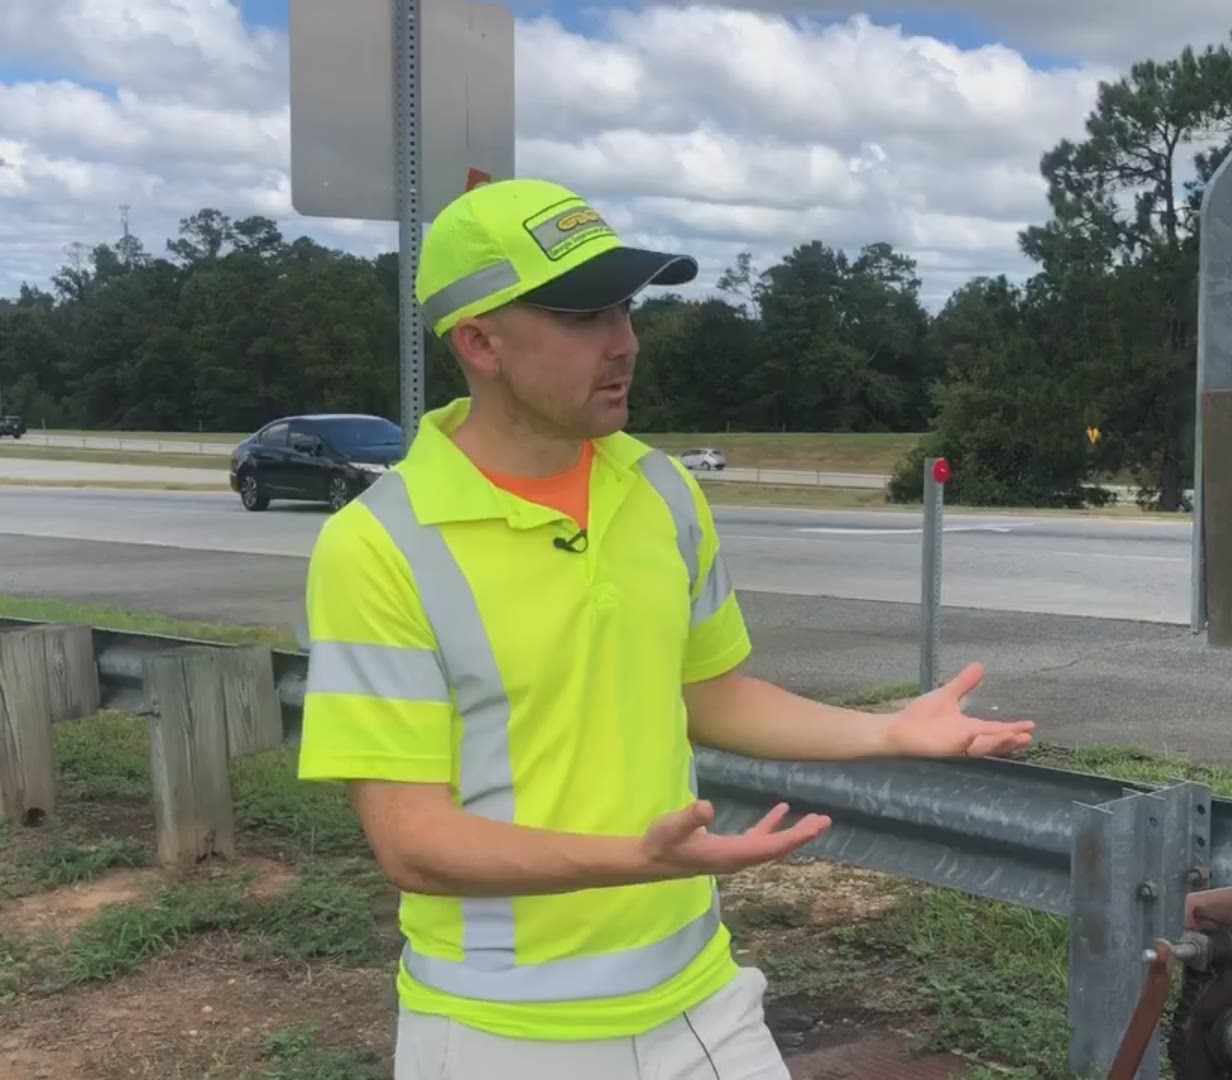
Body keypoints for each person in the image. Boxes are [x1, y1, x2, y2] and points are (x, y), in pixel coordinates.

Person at [295, 176, 1036, 1079]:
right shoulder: (379, 547)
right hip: (501, 1029)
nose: (624, 342)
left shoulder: (661, 491)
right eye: (581, 316)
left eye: (625, 308)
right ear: (480, 342)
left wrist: (887, 730)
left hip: (702, 1002)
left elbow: (707, 692)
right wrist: (632, 859)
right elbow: (411, 839)